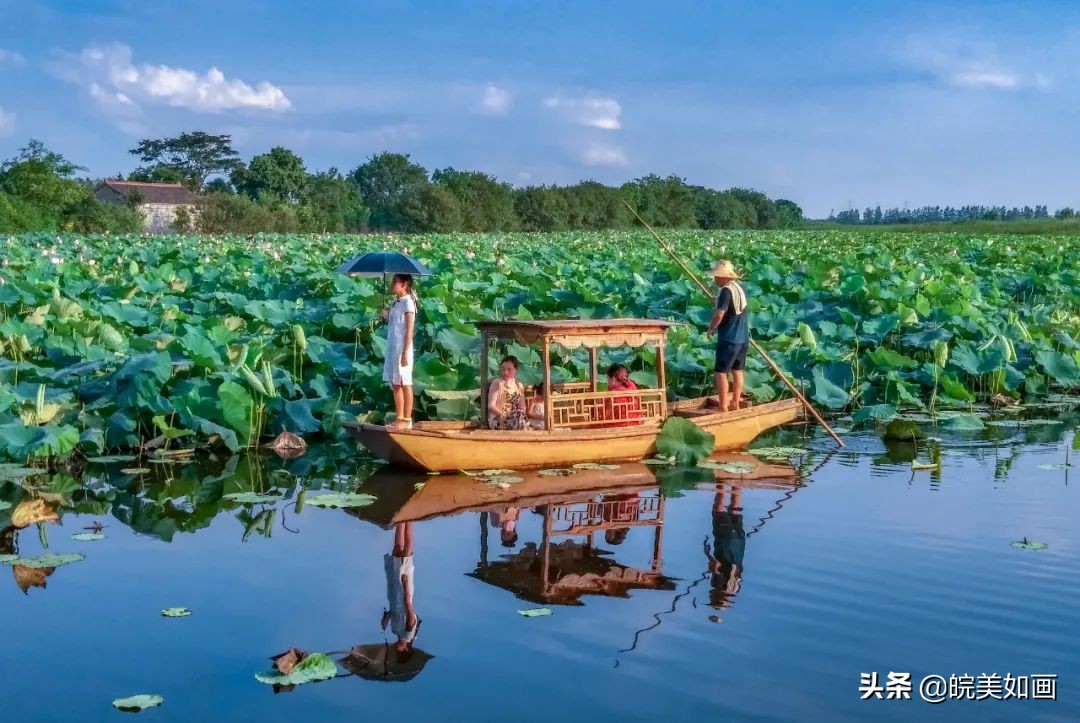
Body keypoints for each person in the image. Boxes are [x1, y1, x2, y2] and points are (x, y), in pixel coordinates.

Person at [706, 260, 750, 412]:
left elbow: (720, 314)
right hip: (743, 338)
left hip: (729, 338)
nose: (715, 279)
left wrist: (711, 328)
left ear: (725, 277)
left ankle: (723, 406)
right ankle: (735, 403)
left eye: (717, 276)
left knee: (721, 372)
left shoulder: (726, 291)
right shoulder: (739, 288)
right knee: (738, 371)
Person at [381, 274, 417, 430]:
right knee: (396, 383)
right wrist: (386, 316)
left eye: (395, 282)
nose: (392, 285)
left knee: (405, 382)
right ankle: (399, 417)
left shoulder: (409, 303)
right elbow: (395, 324)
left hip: (403, 348)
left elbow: (409, 329)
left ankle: (407, 419)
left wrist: (405, 352)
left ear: (404, 284)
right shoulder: (396, 303)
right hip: (393, 348)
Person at [704, 485, 745, 618]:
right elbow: (717, 566)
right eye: (712, 599)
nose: (710, 596)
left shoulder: (736, 586)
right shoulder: (718, 585)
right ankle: (722, 483)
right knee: (718, 509)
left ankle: (739, 480)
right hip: (725, 540)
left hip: (739, 541)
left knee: (735, 510)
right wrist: (707, 554)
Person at [382, 522, 420, 660]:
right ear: (404, 650)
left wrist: (386, 618)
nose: (393, 649)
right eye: (396, 652)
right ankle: (409, 519)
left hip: (393, 591)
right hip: (403, 588)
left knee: (397, 550)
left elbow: (394, 612)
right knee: (407, 553)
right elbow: (409, 608)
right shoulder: (408, 634)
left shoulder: (394, 631)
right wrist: (405, 585)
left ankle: (400, 520)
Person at [487, 355, 527, 430]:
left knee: (519, 416)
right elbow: (491, 406)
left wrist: (517, 414)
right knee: (519, 420)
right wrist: (503, 415)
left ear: (516, 370)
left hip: (515, 418)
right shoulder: (497, 383)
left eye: (509, 369)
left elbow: (522, 407)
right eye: (503, 369)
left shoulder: (519, 385)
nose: (505, 372)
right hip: (498, 418)